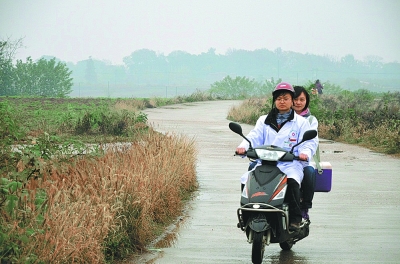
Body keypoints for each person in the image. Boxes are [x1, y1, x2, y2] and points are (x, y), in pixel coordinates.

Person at [236, 82, 314, 231]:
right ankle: (247, 215)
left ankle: (295, 219)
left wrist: (305, 153)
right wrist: (243, 147)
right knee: (247, 178)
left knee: (291, 181)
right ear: (274, 101)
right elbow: (254, 136)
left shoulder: (301, 123)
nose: (282, 101)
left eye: (285, 98)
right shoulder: (263, 120)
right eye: (279, 98)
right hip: (266, 163)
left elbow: (309, 142)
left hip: (289, 164)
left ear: (292, 101)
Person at [292, 86, 320, 221]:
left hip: (300, 160)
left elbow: (312, 141)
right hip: (280, 159)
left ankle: (304, 207)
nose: (298, 102)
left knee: (309, 172)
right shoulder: (280, 117)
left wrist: (305, 152)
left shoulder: (310, 120)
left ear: (307, 101)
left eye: (302, 99)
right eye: (295, 99)